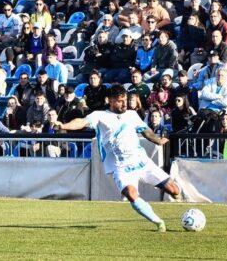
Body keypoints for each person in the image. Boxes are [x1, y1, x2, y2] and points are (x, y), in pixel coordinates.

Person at [54, 84, 182, 232]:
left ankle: (177, 196)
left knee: (174, 190)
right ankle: (159, 222)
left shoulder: (131, 115)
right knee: (131, 194)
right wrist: (64, 125)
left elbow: (146, 130)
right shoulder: (99, 116)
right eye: (120, 100)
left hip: (142, 162)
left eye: (125, 100)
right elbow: (81, 122)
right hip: (120, 167)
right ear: (110, 100)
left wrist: (157, 140)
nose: (124, 103)